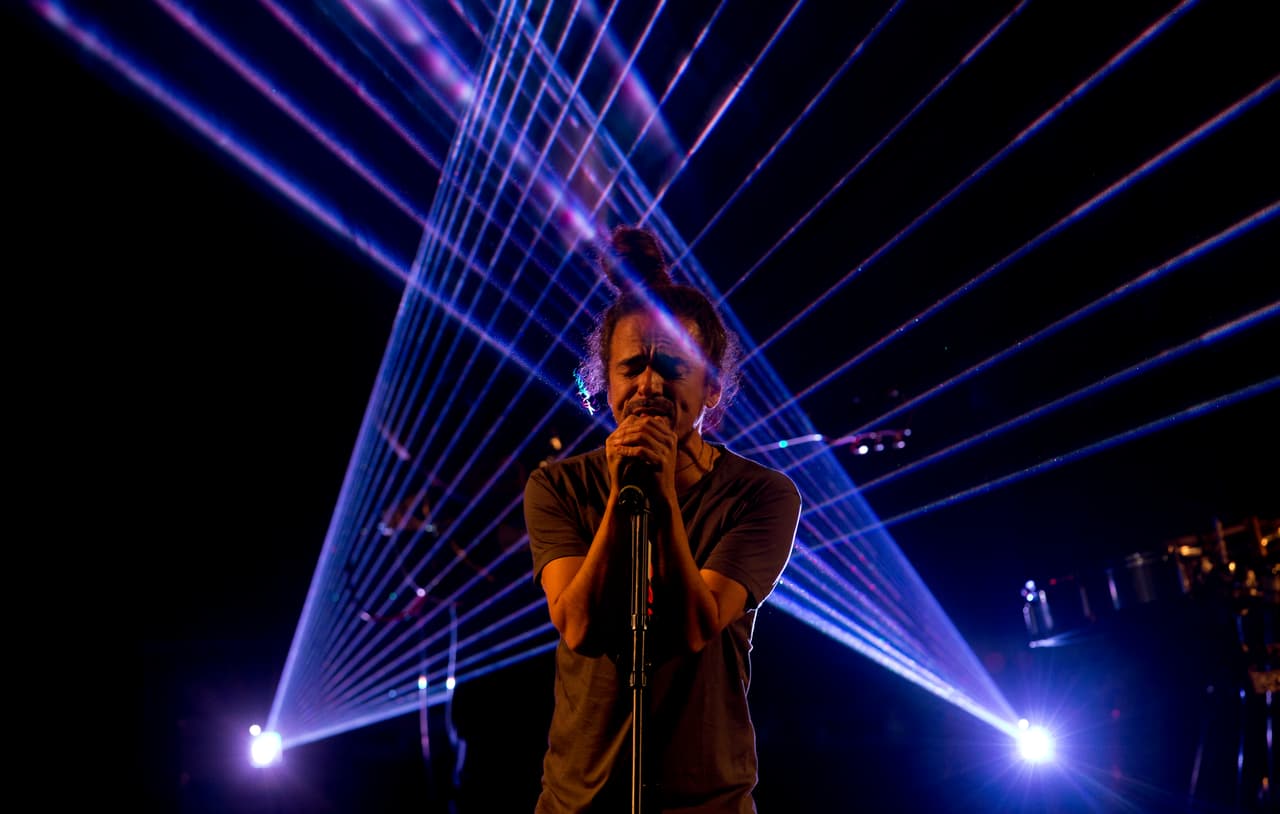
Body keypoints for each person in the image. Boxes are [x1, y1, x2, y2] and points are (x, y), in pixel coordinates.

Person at [524, 225, 802, 812]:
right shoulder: (557, 486)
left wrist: (661, 488)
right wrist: (629, 488)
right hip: (578, 803)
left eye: (672, 367)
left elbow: (695, 627)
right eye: (631, 369)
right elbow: (576, 624)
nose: (649, 384)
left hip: (705, 803)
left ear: (711, 388)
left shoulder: (762, 496)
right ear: (607, 382)